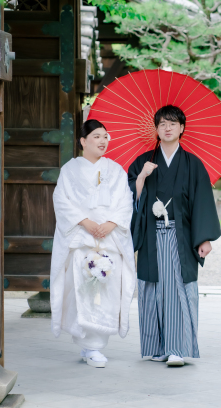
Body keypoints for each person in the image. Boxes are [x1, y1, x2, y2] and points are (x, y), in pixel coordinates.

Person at [128, 104, 221, 367]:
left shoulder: (193, 164)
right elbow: (128, 198)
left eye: (172, 123)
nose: (167, 128)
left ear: (182, 127)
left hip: (181, 238)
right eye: (162, 124)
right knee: (153, 290)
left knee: (179, 289)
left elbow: (202, 201)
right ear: (156, 129)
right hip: (152, 236)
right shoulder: (143, 162)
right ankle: (158, 347)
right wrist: (142, 178)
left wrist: (204, 238)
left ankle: (177, 348)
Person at [50, 119, 136, 368]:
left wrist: (111, 223)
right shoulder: (70, 170)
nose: (102, 141)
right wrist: (84, 221)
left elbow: (125, 202)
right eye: (96, 136)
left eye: (105, 136)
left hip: (109, 241)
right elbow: (62, 200)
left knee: (106, 293)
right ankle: (88, 346)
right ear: (83, 141)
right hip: (83, 240)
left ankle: (96, 345)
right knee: (82, 292)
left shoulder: (116, 170)